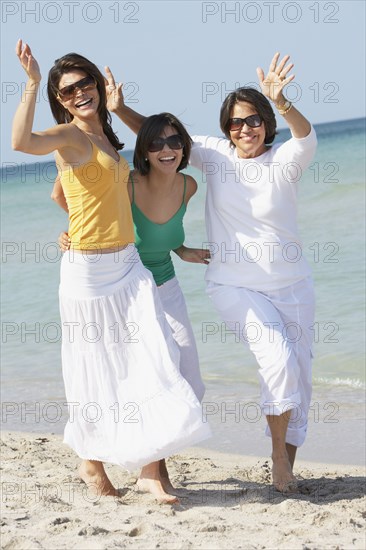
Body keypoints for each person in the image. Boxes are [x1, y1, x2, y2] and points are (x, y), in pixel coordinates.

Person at [12, 40, 210, 504]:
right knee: (94, 368)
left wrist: (173, 244)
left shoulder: (107, 140)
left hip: (128, 263)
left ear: (97, 86)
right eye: (67, 91)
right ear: (59, 101)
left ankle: (148, 469)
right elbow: (21, 143)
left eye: (85, 84)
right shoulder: (71, 137)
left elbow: (65, 196)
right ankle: (92, 462)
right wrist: (32, 84)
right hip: (88, 272)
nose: (79, 93)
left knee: (155, 355)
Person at [113, 53, 317, 493]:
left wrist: (282, 101)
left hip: (294, 285)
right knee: (276, 358)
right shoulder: (217, 155)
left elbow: (306, 134)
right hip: (234, 284)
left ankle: (288, 462)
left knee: (299, 375)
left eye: (253, 120)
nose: (245, 130)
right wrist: (119, 110)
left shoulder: (286, 159)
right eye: (236, 123)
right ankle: (278, 457)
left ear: (266, 121)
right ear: (226, 128)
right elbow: (161, 139)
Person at [55, 112, 208, 494]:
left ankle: (154, 464)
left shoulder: (188, 187)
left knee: (187, 375)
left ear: (184, 147)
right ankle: (150, 472)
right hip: (126, 284)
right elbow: (71, 196)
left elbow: (164, 232)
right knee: (145, 373)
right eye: (155, 143)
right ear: (144, 151)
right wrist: (76, 229)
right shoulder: (130, 182)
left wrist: (182, 249)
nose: (166, 149)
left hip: (165, 283)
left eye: (174, 142)